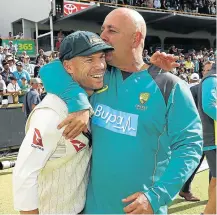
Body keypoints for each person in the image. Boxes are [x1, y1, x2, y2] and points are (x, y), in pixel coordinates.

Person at [40, 8, 203, 214]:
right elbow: (49, 69)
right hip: (92, 209)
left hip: (140, 209)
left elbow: (190, 146)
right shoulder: (98, 77)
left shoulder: (169, 86)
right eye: (102, 29)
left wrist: (156, 196)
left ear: (135, 39)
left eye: (111, 30)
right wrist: (79, 102)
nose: (102, 36)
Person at [13, 31, 114, 214]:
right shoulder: (51, 113)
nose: (100, 66)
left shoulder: (91, 95)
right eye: (89, 59)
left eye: (101, 57)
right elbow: (25, 175)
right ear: (67, 66)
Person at [198, 61, 216, 215]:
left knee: (216, 179)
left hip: (213, 138)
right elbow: (209, 105)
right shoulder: (212, 79)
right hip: (214, 138)